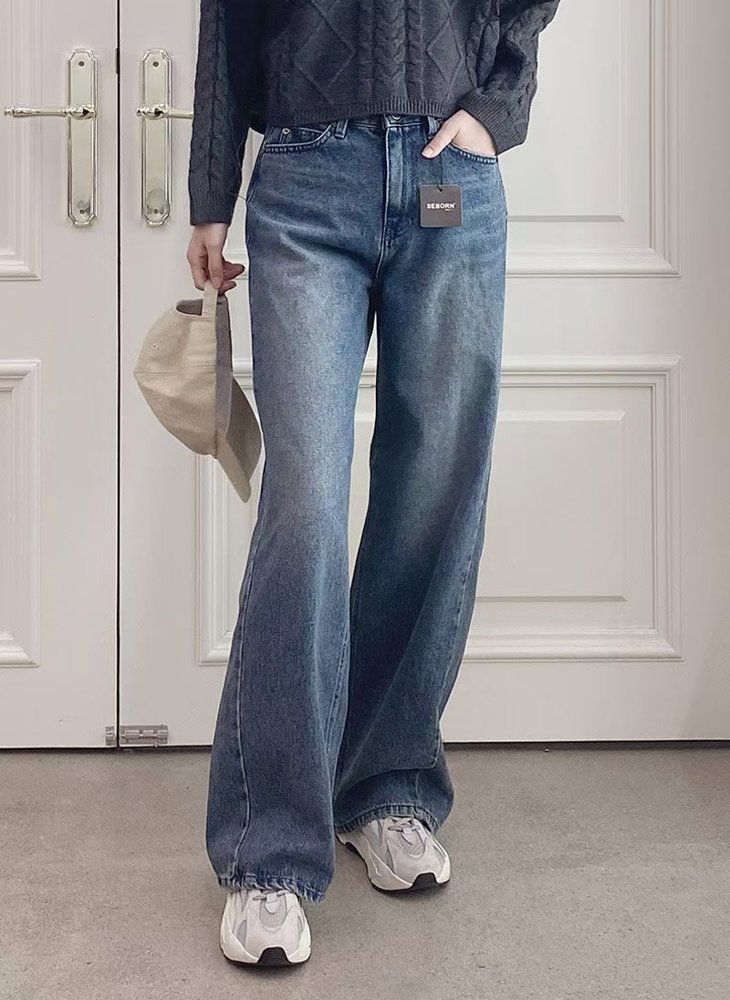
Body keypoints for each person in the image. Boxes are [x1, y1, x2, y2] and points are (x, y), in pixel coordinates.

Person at [186, 0, 561, 968]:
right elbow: (227, 24)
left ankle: (387, 787)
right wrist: (209, 193)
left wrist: (495, 110)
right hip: (307, 182)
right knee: (305, 510)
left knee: (432, 497)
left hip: (451, 178)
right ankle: (269, 849)